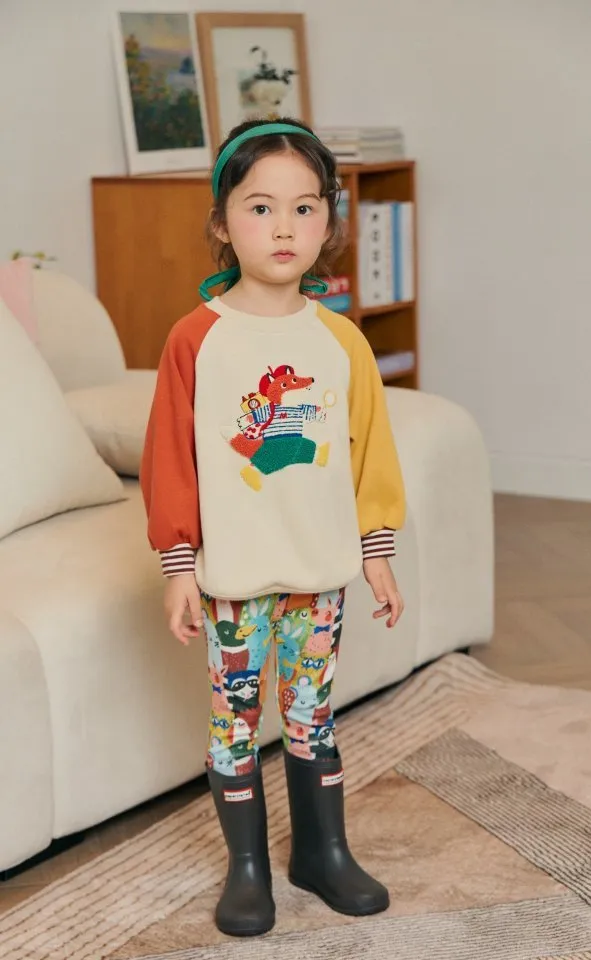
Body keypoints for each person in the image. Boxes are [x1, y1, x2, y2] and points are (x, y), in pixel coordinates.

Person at [140, 117, 406, 938]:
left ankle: (322, 854)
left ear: (329, 222)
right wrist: (178, 566)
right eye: (260, 208)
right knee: (234, 724)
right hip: (232, 582)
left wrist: (376, 552)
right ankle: (247, 868)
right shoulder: (197, 339)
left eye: (303, 207)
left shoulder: (342, 341)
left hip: (318, 576)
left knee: (312, 717)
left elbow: (370, 451)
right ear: (222, 223)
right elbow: (169, 460)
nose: (283, 227)